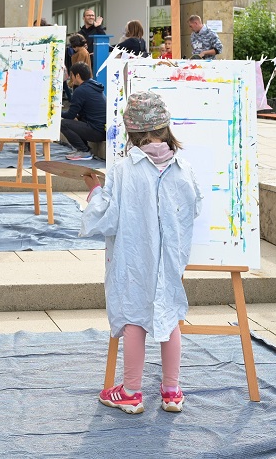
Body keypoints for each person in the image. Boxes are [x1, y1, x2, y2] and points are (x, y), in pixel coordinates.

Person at [80, 90, 202, 415]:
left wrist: (94, 191)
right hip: (170, 260)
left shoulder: (123, 170)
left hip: (134, 258)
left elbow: (106, 217)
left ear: (131, 132)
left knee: (134, 318)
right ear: (166, 127)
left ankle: (131, 392)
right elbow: (195, 208)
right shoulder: (183, 168)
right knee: (169, 316)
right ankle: (172, 392)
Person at [60, 62, 106, 161]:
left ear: (77, 75)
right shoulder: (95, 87)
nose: (71, 78)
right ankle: (82, 149)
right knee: (76, 119)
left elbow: (70, 115)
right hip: (103, 130)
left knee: (63, 124)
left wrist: (57, 111)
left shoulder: (81, 90)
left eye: (71, 75)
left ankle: (84, 151)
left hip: (96, 131)